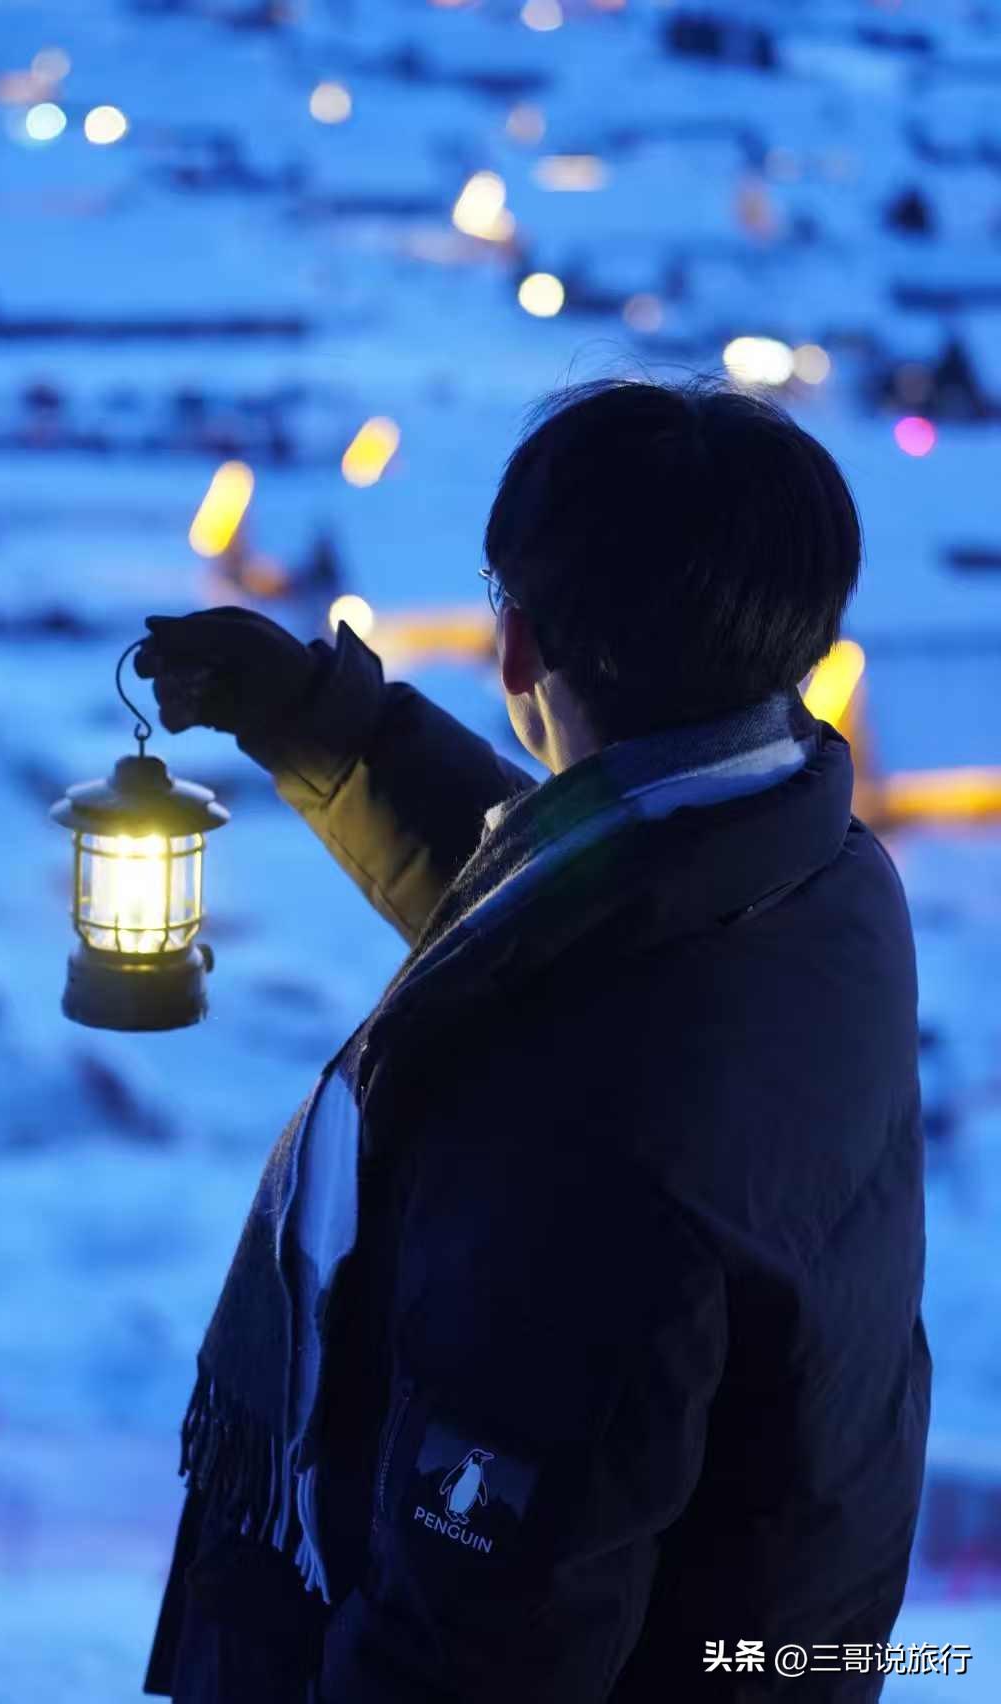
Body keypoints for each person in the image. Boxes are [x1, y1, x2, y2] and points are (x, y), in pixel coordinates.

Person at [137, 376, 930, 1702]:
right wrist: (327, 729)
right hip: (781, 1629)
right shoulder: (814, 869)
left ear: (520, 652)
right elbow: (570, 912)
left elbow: (485, 1642)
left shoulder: (578, 1146)